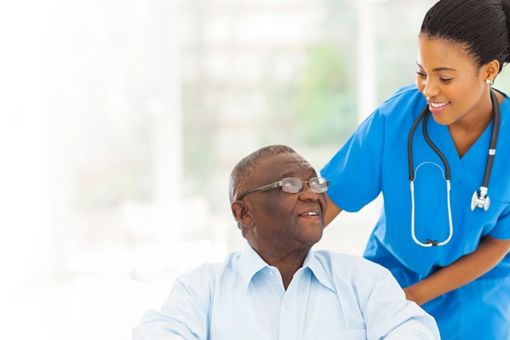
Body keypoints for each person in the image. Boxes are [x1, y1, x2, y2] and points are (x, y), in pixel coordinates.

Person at [321, 0, 510, 339]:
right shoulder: (394, 121)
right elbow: (328, 200)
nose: (429, 89)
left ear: (489, 71)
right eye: (422, 72)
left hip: (477, 289)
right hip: (392, 279)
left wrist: (416, 297)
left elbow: (499, 243)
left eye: (445, 77)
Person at [133, 145, 439, 340]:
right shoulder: (202, 289)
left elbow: (413, 331)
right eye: (290, 184)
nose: (311, 194)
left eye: (315, 182)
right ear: (244, 213)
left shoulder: (364, 281)